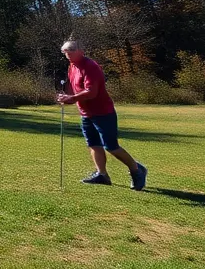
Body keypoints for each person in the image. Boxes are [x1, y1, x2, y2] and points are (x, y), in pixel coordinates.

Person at [58, 39, 148, 190]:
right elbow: (75, 87)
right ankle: (102, 175)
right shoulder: (72, 66)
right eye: (64, 52)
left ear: (81, 50)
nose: (67, 55)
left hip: (103, 112)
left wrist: (72, 98)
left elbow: (92, 92)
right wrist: (66, 97)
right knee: (93, 144)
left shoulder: (90, 66)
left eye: (70, 51)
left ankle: (137, 170)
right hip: (86, 113)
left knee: (111, 146)